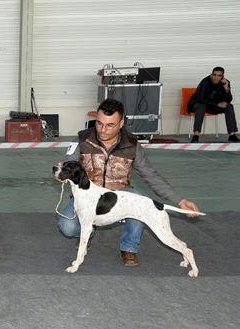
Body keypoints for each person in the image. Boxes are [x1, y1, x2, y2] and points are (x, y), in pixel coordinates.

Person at [57, 98, 201, 266]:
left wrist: (180, 201)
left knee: (141, 202)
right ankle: (89, 230)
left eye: (110, 125)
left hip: (121, 194)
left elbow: (151, 175)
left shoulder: (132, 145)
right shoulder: (81, 139)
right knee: (68, 227)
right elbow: (68, 163)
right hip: (89, 195)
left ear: (121, 123)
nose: (103, 130)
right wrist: (63, 174)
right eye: (99, 123)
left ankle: (129, 247)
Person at [187, 66, 238, 143]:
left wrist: (226, 89)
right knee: (202, 107)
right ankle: (196, 135)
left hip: (213, 106)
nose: (216, 77)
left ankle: (232, 135)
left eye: (219, 75)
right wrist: (217, 104)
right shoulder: (205, 82)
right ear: (211, 74)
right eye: (214, 75)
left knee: (229, 106)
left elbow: (229, 100)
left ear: (222, 76)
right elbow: (202, 99)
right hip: (198, 104)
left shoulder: (225, 82)